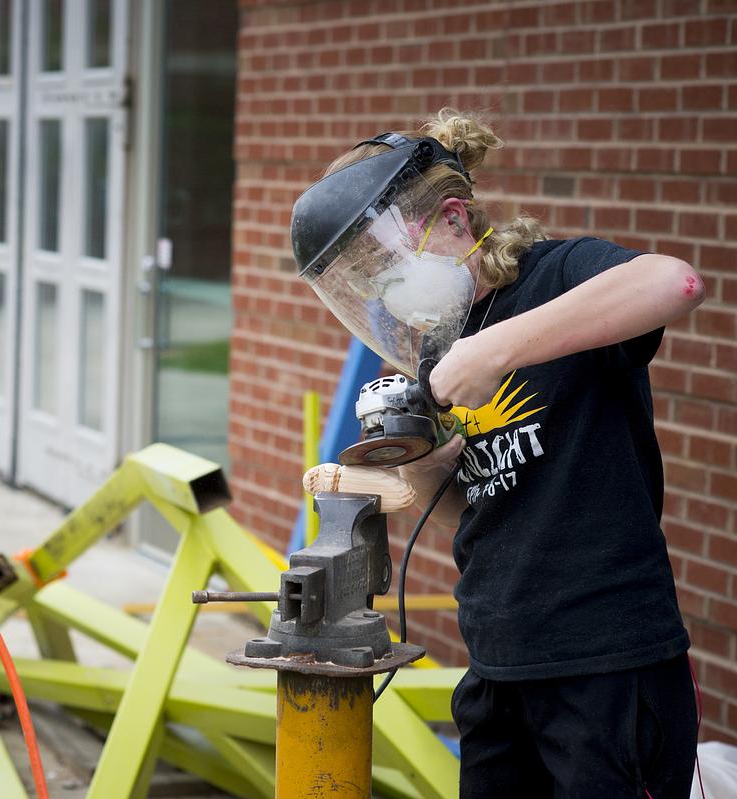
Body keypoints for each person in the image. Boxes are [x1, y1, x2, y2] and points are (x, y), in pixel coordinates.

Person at [290, 108, 705, 797]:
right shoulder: (439, 344)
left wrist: (494, 350)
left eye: (386, 265)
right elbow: (474, 508)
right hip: (497, 665)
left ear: (453, 217)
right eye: (371, 280)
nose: (387, 290)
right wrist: (422, 469)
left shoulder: (558, 274)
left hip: (606, 663)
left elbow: (674, 283)